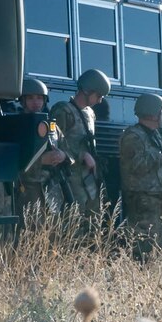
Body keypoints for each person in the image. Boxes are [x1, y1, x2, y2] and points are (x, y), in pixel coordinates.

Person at [50, 68, 111, 220]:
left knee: (93, 222)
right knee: (73, 224)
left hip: (88, 178)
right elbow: (53, 146)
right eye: (98, 95)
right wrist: (81, 155)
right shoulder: (63, 110)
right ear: (86, 90)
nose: (100, 100)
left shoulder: (90, 114)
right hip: (70, 179)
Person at [118, 93, 162, 255]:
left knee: (160, 242)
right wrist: (160, 158)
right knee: (144, 243)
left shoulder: (155, 135)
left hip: (158, 198)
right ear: (154, 113)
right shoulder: (133, 136)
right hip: (142, 199)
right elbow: (135, 164)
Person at [14, 77, 69, 217]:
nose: (35, 102)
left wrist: (63, 156)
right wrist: (41, 160)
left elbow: (68, 150)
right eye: (31, 98)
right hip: (27, 190)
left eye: (39, 98)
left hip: (52, 189)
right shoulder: (16, 125)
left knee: (52, 233)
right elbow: (13, 160)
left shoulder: (52, 126)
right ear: (23, 100)